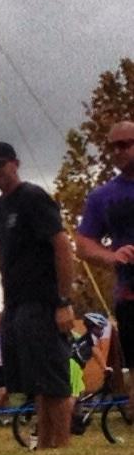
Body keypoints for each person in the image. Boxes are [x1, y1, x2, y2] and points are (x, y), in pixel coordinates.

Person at [0, 141, 75, 449]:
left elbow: (62, 246)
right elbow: (4, 258)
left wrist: (63, 301)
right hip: (17, 304)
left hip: (44, 301)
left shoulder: (32, 197)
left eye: (0, 164)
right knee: (35, 383)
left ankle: (60, 447)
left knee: (54, 380)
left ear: (15, 164)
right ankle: (45, 446)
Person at [75, 119, 134, 418]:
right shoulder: (103, 196)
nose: (118, 151)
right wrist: (112, 256)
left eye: (126, 144)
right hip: (130, 295)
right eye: (113, 147)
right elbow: (83, 244)